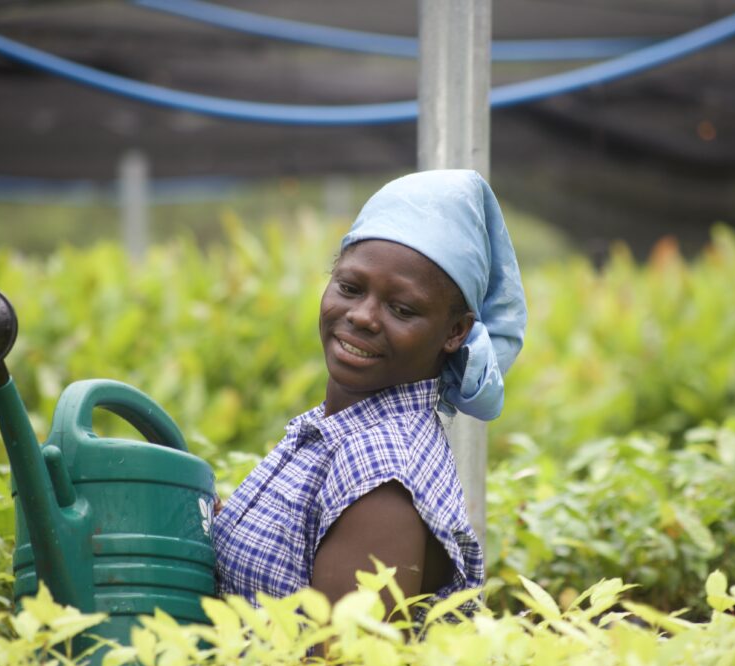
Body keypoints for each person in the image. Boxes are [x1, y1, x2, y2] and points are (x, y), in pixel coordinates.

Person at [211, 169, 527, 620]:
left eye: (402, 309)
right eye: (350, 288)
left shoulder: (383, 469)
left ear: (455, 332)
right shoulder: (342, 426)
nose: (362, 316)